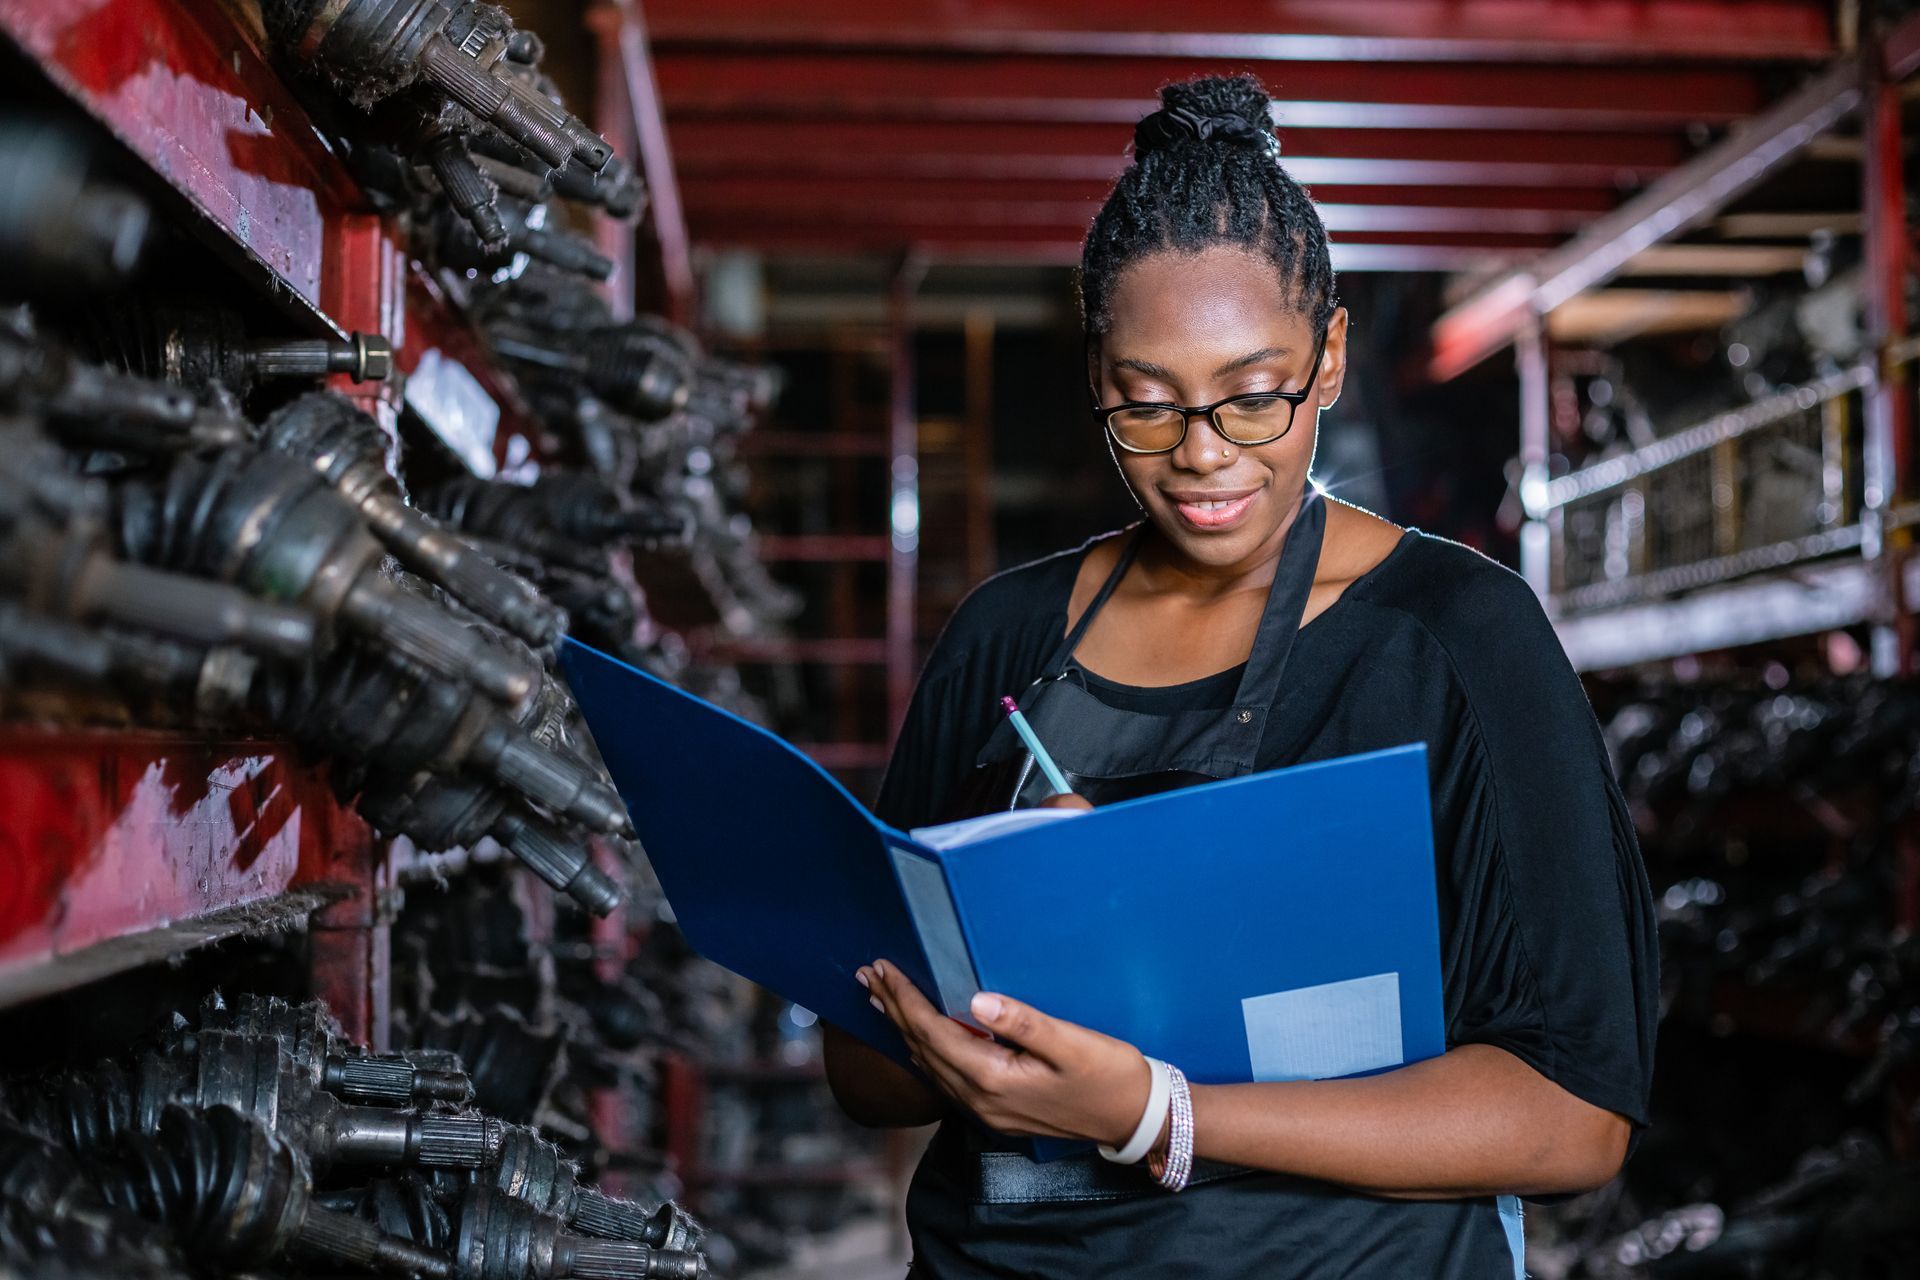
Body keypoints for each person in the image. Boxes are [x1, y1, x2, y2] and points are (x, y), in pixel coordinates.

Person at [823, 73, 1658, 1279]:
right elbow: (862, 1069)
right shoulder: (1003, 637)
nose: (1202, 454)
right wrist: (1005, 964)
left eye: (1253, 396)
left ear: (1328, 359)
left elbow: (1576, 1112)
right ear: (1098, 377)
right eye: (1145, 407)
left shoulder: (1458, 640)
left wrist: (1159, 1113)